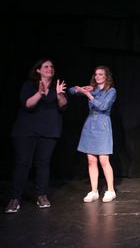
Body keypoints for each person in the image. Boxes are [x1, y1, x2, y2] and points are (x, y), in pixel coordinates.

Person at [5, 59, 67, 213]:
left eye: (52, 66)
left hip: (49, 132)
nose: (49, 68)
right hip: (26, 132)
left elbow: (63, 105)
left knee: (43, 163)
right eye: (45, 66)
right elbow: (28, 105)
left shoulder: (57, 87)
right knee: (22, 163)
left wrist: (59, 94)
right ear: (38, 70)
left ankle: (41, 195)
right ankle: (15, 198)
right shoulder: (29, 85)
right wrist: (40, 93)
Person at [69, 66, 117, 203]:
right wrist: (85, 88)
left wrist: (88, 94)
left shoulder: (111, 91)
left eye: (100, 74)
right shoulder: (92, 89)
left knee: (103, 160)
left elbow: (102, 107)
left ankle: (110, 190)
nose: (97, 76)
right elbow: (72, 91)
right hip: (90, 124)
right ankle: (94, 191)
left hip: (102, 124)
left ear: (106, 76)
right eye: (95, 74)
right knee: (91, 160)